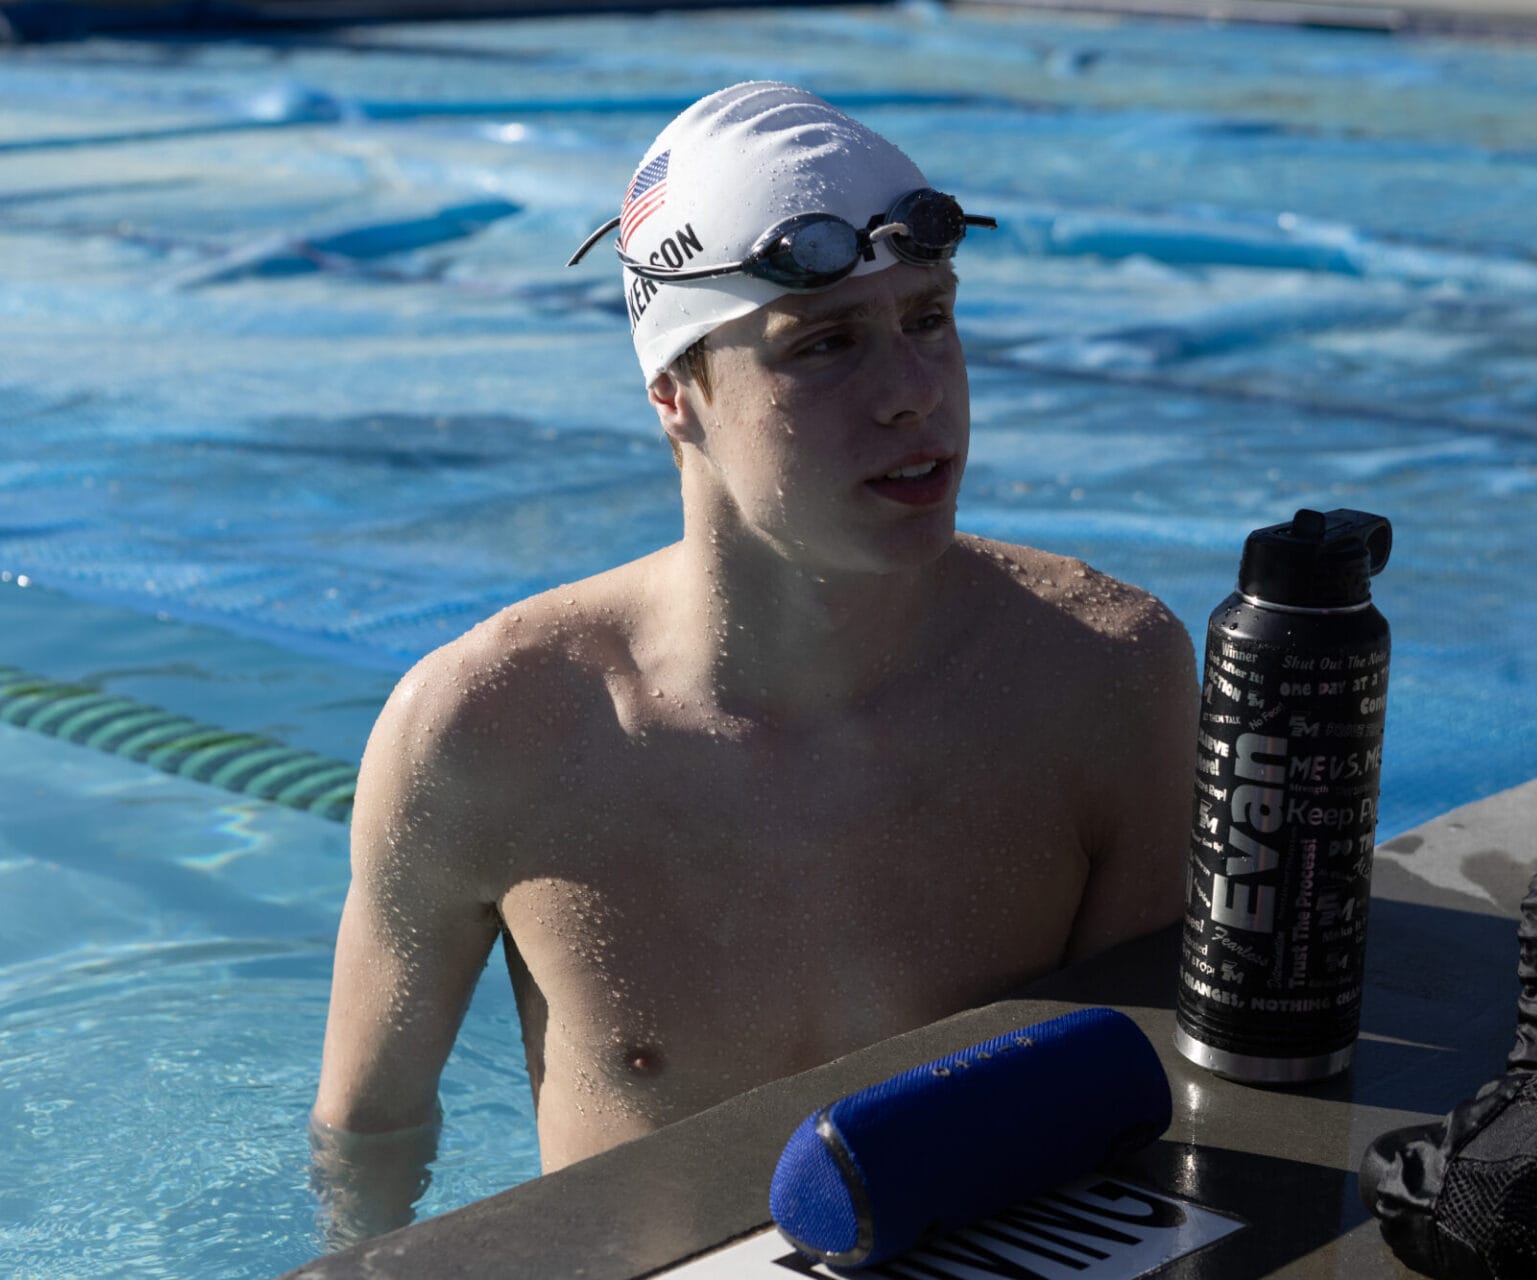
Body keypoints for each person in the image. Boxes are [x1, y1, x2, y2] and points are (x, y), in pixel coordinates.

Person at [308, 81, 1199, 1247]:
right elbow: (368, 1143)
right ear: (676, 393)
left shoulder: (1104, 679)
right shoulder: (489, 730)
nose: (914, 393)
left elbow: (1162, 1111)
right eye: (825, 345)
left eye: (929, 317)